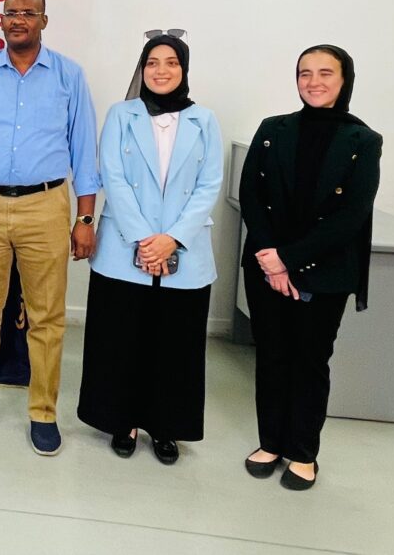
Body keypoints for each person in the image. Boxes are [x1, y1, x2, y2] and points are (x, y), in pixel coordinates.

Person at [0, 0, 98, 455]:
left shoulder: (69, 75)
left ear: (44, 21)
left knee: (47, 316)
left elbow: (84, 150)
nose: (18, 20)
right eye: (11, 12)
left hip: (46, 206)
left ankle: (43, 411)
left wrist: (85, 217)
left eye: (29, 13)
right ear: (2, 19)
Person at [240, 44, 381, 491]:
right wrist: (272, 259)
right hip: (266, 266)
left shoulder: (364, 141)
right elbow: (252, 196)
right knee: (272, 354)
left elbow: (351, 216)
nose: (313, 82)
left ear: (344, 80)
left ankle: (303, 452)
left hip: (325, 271)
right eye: (305, 73)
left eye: (325, 73)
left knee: (310, 359)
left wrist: (288, 259)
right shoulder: (272, 130)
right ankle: (271, 442)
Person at [77, 35, 223, 465]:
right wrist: (145, 238)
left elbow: (209, 184)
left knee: (175, 345)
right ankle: (121, 421)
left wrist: (171, 239)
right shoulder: (121, 114)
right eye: (152, 62)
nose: (161, 70)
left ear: (184, 69)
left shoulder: (204, 120)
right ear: (142, 69)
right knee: (120, 339)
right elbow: (113, 177)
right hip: (126, 247)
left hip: (183, 249)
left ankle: (166, 425)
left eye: (171, 62)